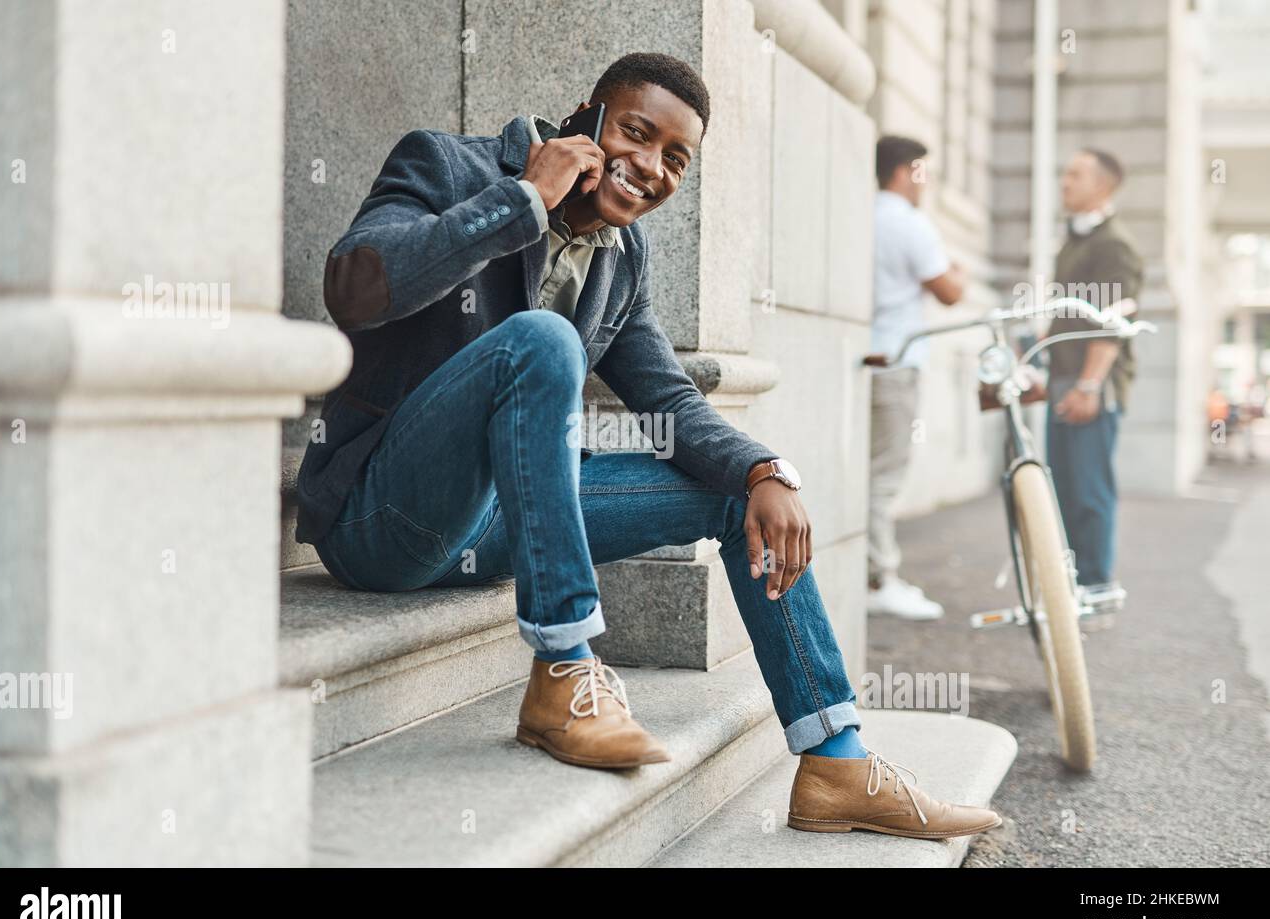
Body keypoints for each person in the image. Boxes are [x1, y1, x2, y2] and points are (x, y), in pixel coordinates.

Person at [295, 53, 1001, 840]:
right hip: (381, 518)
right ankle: (564, 666)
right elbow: (353, 287)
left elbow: (669, 399)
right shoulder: (447, 163)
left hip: (498, 522)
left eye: (676, 159)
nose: (652, 167)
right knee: (542, 341)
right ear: (585, 117)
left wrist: (765, 468)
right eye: (637, 133)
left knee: (741, 498)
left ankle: (835, 760)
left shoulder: (622, 262)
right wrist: (524, 199)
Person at [866, 136, 965, 620]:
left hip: (864, 359)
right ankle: (879, 577)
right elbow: (949, 290)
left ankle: (870, 571)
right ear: (905, 172)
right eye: (923, 172)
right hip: (897, 364)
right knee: (885, 475)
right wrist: (959, 270)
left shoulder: (862, 214)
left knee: (864, 471)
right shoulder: (909, 222)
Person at [1045, 149, 1143, 601]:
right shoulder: (1075, 240)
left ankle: (1097, 588)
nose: (1064, 182)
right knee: (1064, 489)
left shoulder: (1112, 244)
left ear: (1102, 186)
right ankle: (1074, 590)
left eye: (1074, 174)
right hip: (1063, 380)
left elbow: (1113, 322)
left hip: (1092, 384)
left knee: (1088, 491)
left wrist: (1088, 385)